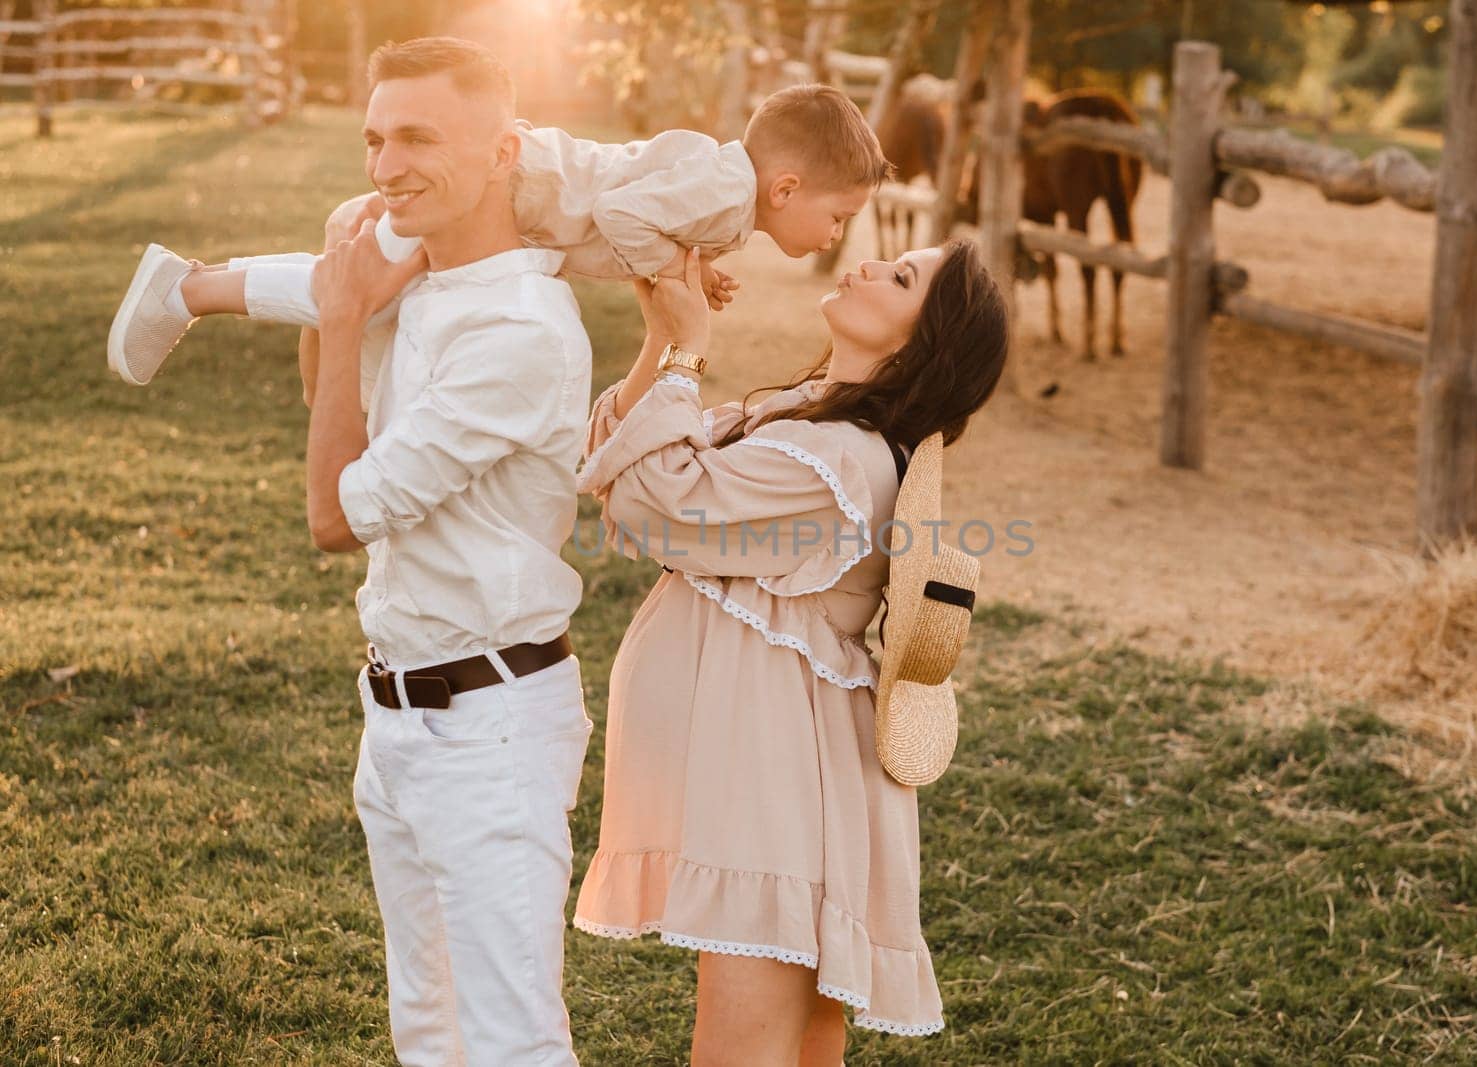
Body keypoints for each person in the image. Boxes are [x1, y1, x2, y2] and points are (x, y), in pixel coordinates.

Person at [571, 240, 1008, 1062]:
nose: (872, 264)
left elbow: (658, 501)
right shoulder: (814, 416)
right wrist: (661, 336)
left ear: (921, 344)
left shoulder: (841, 459)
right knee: (798, 1045)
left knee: (742, 1048)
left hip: (773, 775)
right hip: (768, 761)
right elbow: (617, 459)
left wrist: (690, 349)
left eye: (902, 277)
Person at [292, 38, 594, 1065]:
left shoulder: (519, 328)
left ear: (504, 150)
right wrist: (349, 314)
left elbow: (333, 516)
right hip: (398, 716)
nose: (384, 167)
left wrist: (340, 320)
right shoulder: (421, 290)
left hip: (492, 727)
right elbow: (335, 433)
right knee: (428, 1025)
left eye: (417, 137)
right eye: (375, 139)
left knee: (511, 1042)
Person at [106, 77, 889, 387]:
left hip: (526, 204)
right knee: (365, 287)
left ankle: (241, 278)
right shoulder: (725, 193)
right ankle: (190, 287)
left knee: (373, 296)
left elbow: (641, 214)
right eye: (838, 217)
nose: (833, 237)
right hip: (519, 189)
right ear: (785, 187)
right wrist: (669, 267)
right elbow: (621, 217)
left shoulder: (726, 198)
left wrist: (693, 266)